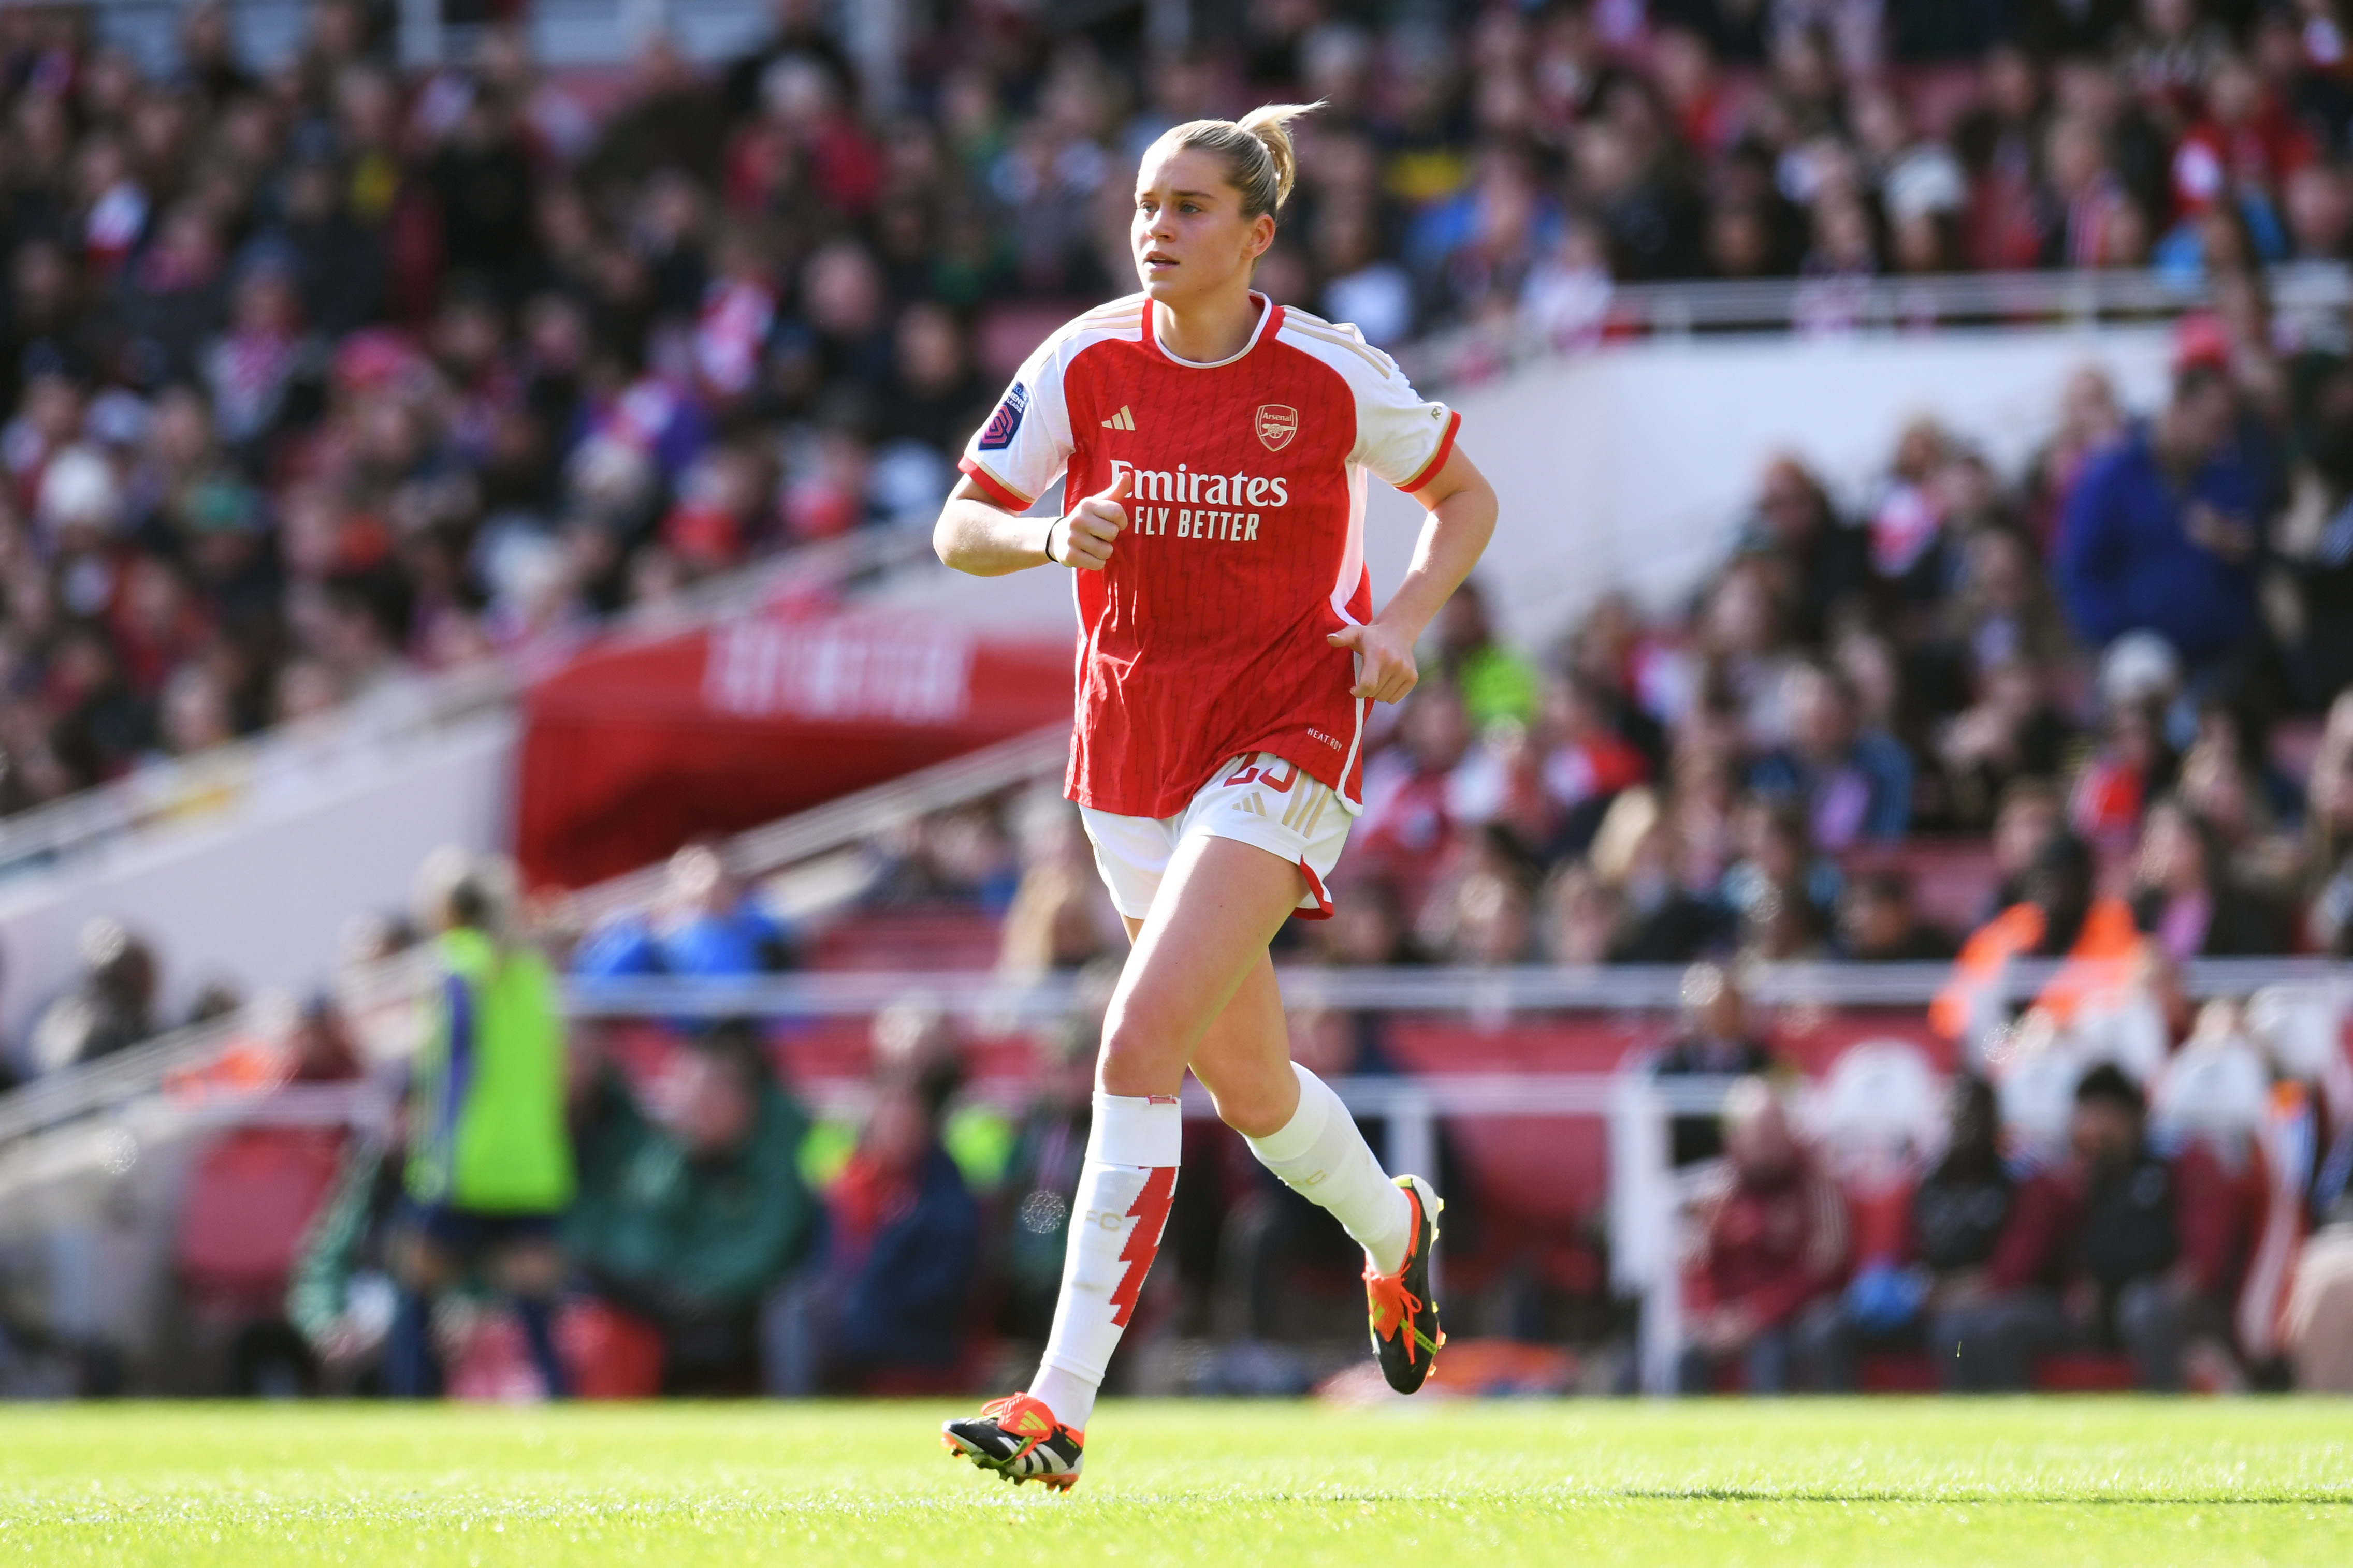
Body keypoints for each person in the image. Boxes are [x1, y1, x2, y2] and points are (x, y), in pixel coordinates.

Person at [932, 101, 1497, 1488]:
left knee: (1136, 1039)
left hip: (1286, 730)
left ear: (1258, 233)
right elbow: (959, 524)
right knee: (1247, 1084)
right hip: (1131, 747)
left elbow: (1463, 497)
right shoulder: (1081, 359)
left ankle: (1055, 1407)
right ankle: (1395, 1230)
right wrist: (1046, 532)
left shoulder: (1327, 371)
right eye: (1146, 203)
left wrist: (1407, 620)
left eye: (1189, 208)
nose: (1156, 229)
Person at [386, 851, 575, 1400]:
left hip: (465, 1164)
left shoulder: (452, 967)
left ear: (446, 909)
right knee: (537, 1313)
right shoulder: (533, 970)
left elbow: (446, 1070)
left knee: (415, 1294)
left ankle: (411, 1411)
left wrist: (427, 1153)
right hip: (532, 1165)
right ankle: (563, 1423)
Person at [564, 1028, 817, 1393]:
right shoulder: (667, 1159)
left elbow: (764, 1253)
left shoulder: (776, 1166)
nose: (692, 1109)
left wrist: (693, 1287)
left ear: (741, 1101)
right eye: (687, 1095)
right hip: (666, 1302)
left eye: (706, 1098)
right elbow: (636, 1231)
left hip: (734, 1313)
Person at [1795, 1076, 2012, 1391]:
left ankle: (1965, 1427)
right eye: (1956, 1118)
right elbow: (1892, 1254)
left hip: (1972, 1309)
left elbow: (2009, 1274)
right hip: (1916, 1305)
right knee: (1827, 1327)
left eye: (1973, 1117)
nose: (1964, 1129)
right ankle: (1841, 1428)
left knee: (1958, 1338)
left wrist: (1939, 1294)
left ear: (1993, 1121)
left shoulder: (2015, 1184)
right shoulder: (1922, 1183)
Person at [2054, 360, 2264, 685]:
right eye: (2212, 425)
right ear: (2179, 410)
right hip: (2137, 661)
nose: (2219, 439)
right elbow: (2081, 569)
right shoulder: (2112, 477)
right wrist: (2120, 636)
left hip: (2215, 658)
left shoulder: (2226, 480)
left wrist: (2237, 550)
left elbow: (2250, 563)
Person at [1677, 1078, 1850, 1395]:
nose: (1765, 1144)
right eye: (1757, 1134)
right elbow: (1697, 1265)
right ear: (1736, 1138)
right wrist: (1712, 1317)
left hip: (1792, 1316)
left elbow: (1824, 1267)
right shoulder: (1718, 1192)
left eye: (1772, 1132)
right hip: (1733, 1318)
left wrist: (1759, 1314)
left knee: (1774, 1349)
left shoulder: (1815, 1184)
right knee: (1684, 1353)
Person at [1651, 962, 1778, 1168]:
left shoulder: (1769, 1066)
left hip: (1749, 1182)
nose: (1718, 1014)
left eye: (1727, 1005)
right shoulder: (1666, 1072)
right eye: (1709, 1008)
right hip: (1684, 1184)